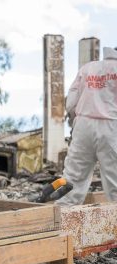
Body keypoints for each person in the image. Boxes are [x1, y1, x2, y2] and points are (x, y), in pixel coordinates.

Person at [56, 46, 117, 206]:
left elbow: (70, 103)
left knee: (72, 177)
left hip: (83, 126)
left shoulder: (88, 68)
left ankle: (61, 222)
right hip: (112, 127)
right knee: (115, 182)